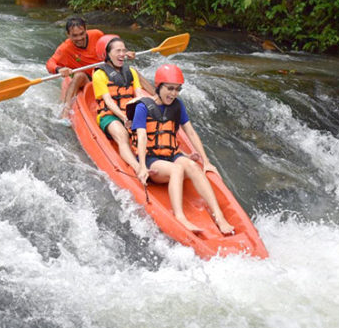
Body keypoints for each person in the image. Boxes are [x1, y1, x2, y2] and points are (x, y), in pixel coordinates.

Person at [128, 64, 235, 235]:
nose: (173, 94)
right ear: (159, 86)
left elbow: (191, 132)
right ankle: (180, 217)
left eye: (177, 89)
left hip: (171, 154)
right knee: (177, 169)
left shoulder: (178, 105)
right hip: (152, 159)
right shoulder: (142, 107)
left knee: (193, 166)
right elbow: (141, 136)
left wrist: (206, 161)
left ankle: (219, 216)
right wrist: (141, 166)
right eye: (169, 89)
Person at [92, 35, 149, 172]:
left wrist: (140, 114)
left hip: (129, 111)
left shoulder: (132, 72)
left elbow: (139, 94)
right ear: (107, 54)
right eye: (118, 51)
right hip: (109, 115)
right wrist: (124, 118)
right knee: (123, 135)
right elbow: (108, 101)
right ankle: (138, 168)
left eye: (124, 50)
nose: (122, 54)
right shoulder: (99, 75)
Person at [46, 17, 105, 117]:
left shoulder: (97, 34)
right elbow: (50, 64)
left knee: (131, 70)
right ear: (68, 35)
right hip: (88, 79)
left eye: (82, 34)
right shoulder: (65, 48)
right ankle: (65, 111)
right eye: (74, 35)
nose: (79, 38)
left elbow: (112, 46)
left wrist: (124, 52)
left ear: (86, 30)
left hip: (104, 74)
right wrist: (59, 69)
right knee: (79, 76)